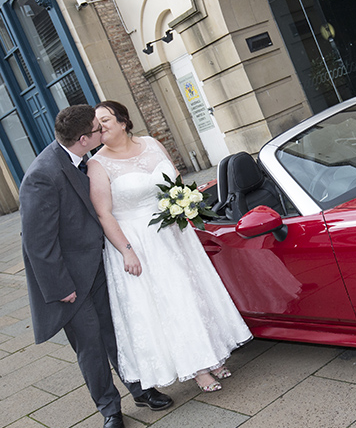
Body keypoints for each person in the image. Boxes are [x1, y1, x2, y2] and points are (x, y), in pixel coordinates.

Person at [20, 105, 173, 428]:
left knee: (119, 333)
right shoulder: (41, 176)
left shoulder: (86, 158)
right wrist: (60, 287)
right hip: (70, 280)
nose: (102, 130)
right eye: (96, 128)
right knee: (90, 346)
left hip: (101, 267)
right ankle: (109, 409)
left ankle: (141, 389)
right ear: (83, 139)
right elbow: (37, 243)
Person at [86, 100, 252, 394]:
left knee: (194, 292)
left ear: (123, 121)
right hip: (139, 241)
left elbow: (176, 181)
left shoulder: (151, 143)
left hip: (173, 232)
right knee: (170, 301)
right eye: (96, 124)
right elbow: (104, 214)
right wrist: (126, 250)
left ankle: (213, 355)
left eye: (105, 120)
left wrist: (183, 205)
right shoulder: (98, 164)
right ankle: (198, 368)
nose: (100, 127)